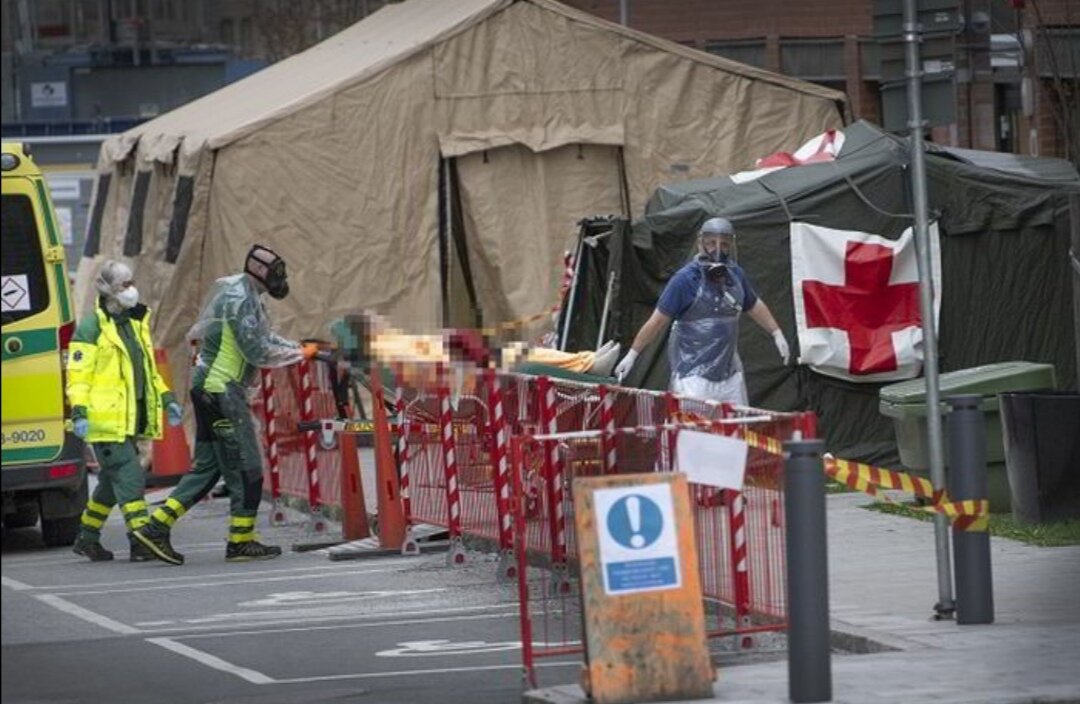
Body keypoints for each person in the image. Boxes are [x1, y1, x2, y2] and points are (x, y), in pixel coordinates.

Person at [133, 244, 319, 565]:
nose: (281, 281)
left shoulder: (240, 291)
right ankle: (240, 542)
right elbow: (258, 350)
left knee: (207, 469)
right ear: (262, 273)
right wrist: (298, 354)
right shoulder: (240, 299)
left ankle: (155, 528)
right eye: (277, 275)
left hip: (208, 388)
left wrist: (299, 348)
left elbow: (265, 337)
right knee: (248, 467)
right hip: (222, 392)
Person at [67, 260, 182, 562]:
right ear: (107, 290)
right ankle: (141, 540)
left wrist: (167, 397)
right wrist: (79, 411)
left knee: (110, 483)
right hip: (106, 423)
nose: (131, 290)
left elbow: (147, 371)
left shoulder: (134, 323)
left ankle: (86, 538)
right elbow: (78, 376)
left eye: (131, 282)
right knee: (130, 477)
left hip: (129, 420)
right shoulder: (92, 328)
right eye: (124, 285)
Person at [613, 217, 790, 404]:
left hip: (729, 375)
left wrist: (776, 332)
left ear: (731, 245)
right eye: (711, 243)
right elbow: (657, 321)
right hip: (693, 377)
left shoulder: (735, 276)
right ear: (700, 244)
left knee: (736, 429)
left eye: (724, 243)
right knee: (695, 429)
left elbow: (754, 305)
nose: (717, 249)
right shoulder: (685, 280)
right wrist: (632, 354)